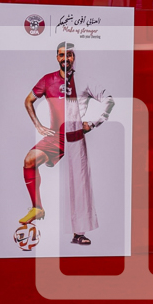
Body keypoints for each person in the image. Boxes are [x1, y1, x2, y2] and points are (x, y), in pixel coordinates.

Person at [19, 42, 115, 246]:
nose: (65, 59)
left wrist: (94, 123)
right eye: (62, 55)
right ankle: (37, 208)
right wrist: (38, 126)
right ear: (57, 57)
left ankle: (78, 233)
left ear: (74, 58)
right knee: (29, 161)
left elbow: (109, 100)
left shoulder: (84, 80)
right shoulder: (47, 80)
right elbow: (28, 100)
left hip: (75, 137)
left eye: (69, 55)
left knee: (79, 186)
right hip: (56, 137)